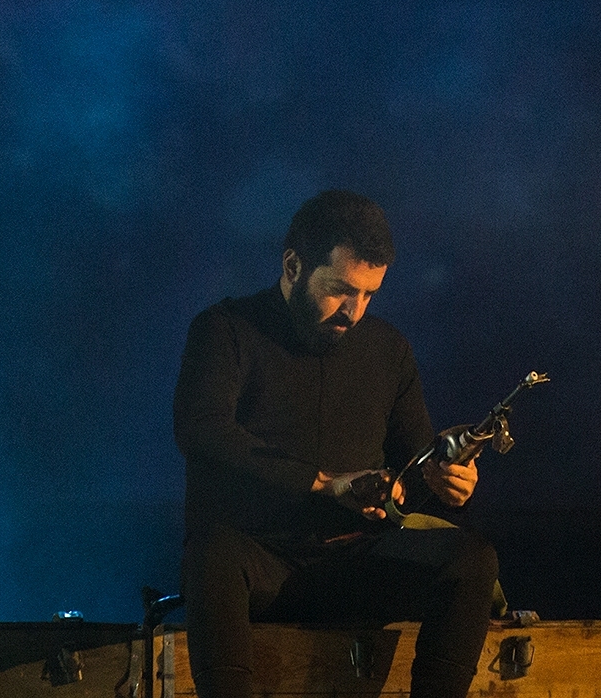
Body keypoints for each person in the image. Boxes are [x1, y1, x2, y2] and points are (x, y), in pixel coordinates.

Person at [173, 190, 499, 698]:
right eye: (341, 290)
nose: (354, 310)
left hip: (354, 562)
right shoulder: (225, 330)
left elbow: (414, 471)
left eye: (369, 295)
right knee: (211, 556)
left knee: (472, 559)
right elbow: (201, 430)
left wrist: (446, 482)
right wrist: (325, 483)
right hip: (259, 563)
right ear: (293, 266)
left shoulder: (389, 349)